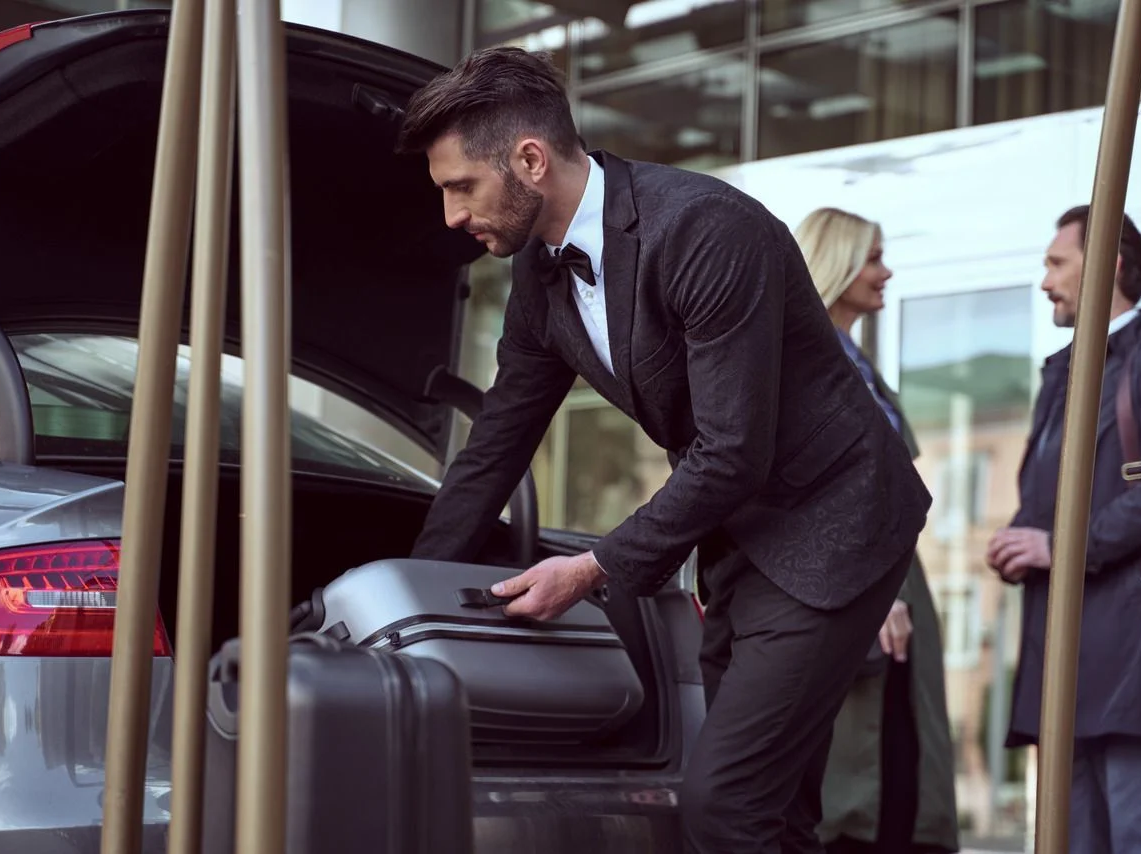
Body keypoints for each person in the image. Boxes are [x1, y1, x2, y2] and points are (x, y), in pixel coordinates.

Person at [396, 47, 933, 854]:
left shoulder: (707, 228)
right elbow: (495, 446)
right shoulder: (542, 282)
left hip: (835, 525)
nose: (449, 216)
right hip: (738, 539)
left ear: (530, 160)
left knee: (725, 804)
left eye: (459, 187)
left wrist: (591, 569)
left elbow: (732, 451)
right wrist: (412, 593)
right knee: (777, 813)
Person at [986, 205, 1141, 853]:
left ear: (1108, 264)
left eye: (1057, 263)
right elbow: (1049, 501)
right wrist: (1017, 540)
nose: (1045, 281)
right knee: (1067, 838)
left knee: (1137, 835)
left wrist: (1054, 547)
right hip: (1060, 644)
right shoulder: (1060, 373)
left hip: (1126, 645)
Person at [794, 207, 959, 854]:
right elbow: (827, 492)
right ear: (835, 264)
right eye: (872, 257)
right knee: (861, 773)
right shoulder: (813, 362)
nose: (886, 271)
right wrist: (879, 592)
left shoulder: (857, 363)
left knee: (900, 761)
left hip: (896, 583)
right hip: (863, 585)